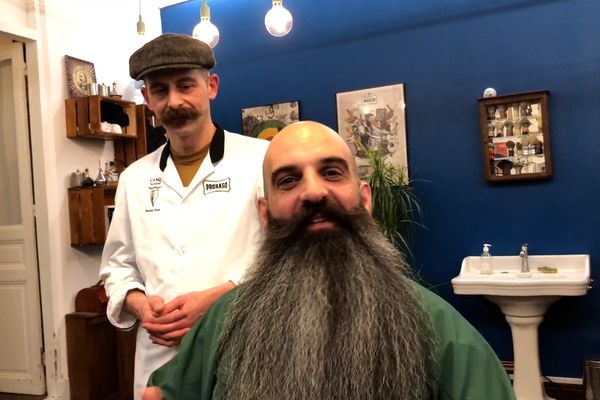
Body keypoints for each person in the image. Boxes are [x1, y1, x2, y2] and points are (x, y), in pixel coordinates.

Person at [142, 121, 516, 400]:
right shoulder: (225, 321)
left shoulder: (438, 330)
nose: (314, 192)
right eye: (288, 181)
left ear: (365, 200)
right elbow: (173, 391)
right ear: (265, 213)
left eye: (331, 172)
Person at [99, 33, 269, 398]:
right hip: (159, 354)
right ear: (147, 100)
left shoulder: (262, 161)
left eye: (185, 85)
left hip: (241, 346)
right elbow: (117, 266)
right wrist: (139, 303)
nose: (174, 101)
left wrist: (220, 298)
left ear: (211, 86)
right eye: (160, 90)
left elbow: (289, 254)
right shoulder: (134, 178)